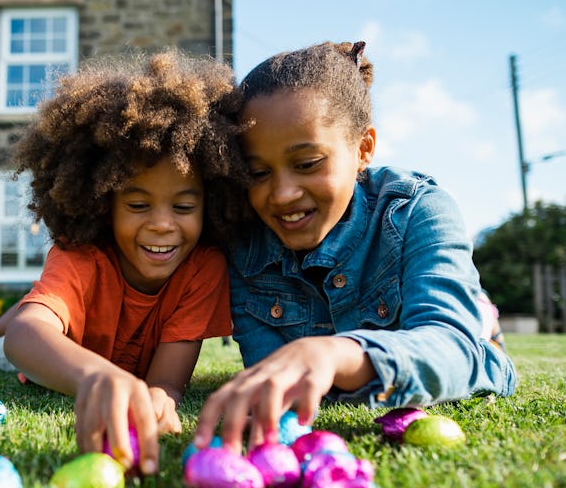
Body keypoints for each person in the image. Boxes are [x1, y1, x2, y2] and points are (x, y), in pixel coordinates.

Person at [193, 41, 517, 453]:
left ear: (363, 149)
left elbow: (461, 355)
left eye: (308, 164)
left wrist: (339, 354)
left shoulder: (420, 211)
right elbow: (274, 379)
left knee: (464, 328)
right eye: (258, 172)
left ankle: (476, 310)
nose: (283, 194)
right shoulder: (244, 248)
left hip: (448, 333)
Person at [0, 50, 249, 474]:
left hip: (95, 338)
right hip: (51, 353)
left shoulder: (204, 267)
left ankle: (45, 302)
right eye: (138, 204)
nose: (163, 226)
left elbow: (166, 382)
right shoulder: (81, 255)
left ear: (211, 203)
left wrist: (162, 397)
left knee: (43, 309)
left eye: (183, 206)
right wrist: (92, 375)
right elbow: (24, 339)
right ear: (103, 204)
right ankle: (35, 305)